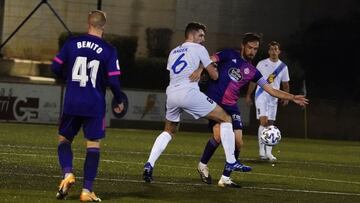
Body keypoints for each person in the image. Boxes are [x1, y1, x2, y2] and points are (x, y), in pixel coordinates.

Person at [142, 22, 250, 186]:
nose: (203, 39)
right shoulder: (199, 49)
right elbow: (214, 76)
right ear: (191, 35)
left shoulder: (173, 51)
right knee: (226, 118)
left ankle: (149, 164)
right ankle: (231, 161)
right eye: (201, 35)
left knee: (169, 131)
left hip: (171, 93)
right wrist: (211, 69)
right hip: (189, 92)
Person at [196, 34, 308, 187]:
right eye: (250, 47)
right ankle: (202, 165)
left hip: (231, 106)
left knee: (239, 143)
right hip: (215, 102)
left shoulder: (252, 71)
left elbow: (271, 90)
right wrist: (199, 71)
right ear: (243, 45)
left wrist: (292, 97)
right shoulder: (229, 54)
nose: (252, 51)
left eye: (255, 49)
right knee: (218, 136)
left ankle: (225, 178)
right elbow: (209, 60)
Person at [51, 10, 124, 202]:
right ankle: (87, 190)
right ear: (104, 25)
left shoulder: (72, 43)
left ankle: (67, 173)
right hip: (94, 104)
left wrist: (67, 79)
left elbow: (56, 67)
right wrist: (119, 99)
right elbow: (115, 82)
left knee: (63, 140)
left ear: (88, 23)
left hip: (72, 100)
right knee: (93, 145)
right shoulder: (109, 50)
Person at [245, 41, 290, 162]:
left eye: (276, 49)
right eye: (272, 49)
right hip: (261, 95)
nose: (274, 51)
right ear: (269, 51)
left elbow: (285, 84)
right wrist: (248, 95)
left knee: (271, 124)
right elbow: (254, 81)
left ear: (279, 51)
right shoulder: (261, 63)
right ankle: (262, 151)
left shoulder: (283, 67)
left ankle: (269, 152)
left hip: (273, 97)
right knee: (263, 122)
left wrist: (285, 97)